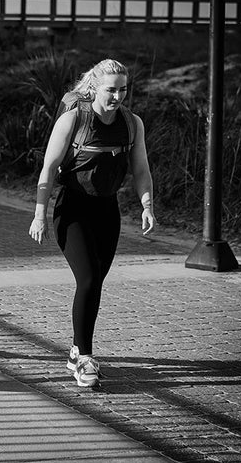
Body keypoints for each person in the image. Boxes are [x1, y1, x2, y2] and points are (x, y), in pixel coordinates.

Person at [28, 58, 155, 388]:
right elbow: (48, 168)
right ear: (95, 88)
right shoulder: (74, 119)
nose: (117, 97)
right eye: (111, 90)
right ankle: (84, 358)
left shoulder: (132, 123)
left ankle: (75, 350)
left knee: (95, 281)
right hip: (71, 208)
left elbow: (141, 170)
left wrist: (146, 206)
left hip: (107, 211)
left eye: (122, 90)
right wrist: (40, 213)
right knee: (88, 278)